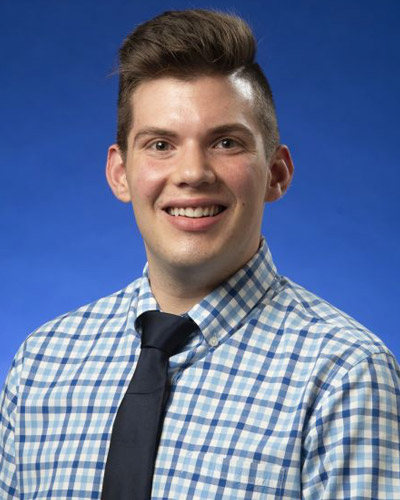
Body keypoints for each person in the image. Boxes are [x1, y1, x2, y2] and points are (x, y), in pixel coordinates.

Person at [1, 8, 399, 499]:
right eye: (161, 144)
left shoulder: (345, 375)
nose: (192, 172)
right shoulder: (42, 362)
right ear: (120, 173)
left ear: (276, 173)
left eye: (226, 142)